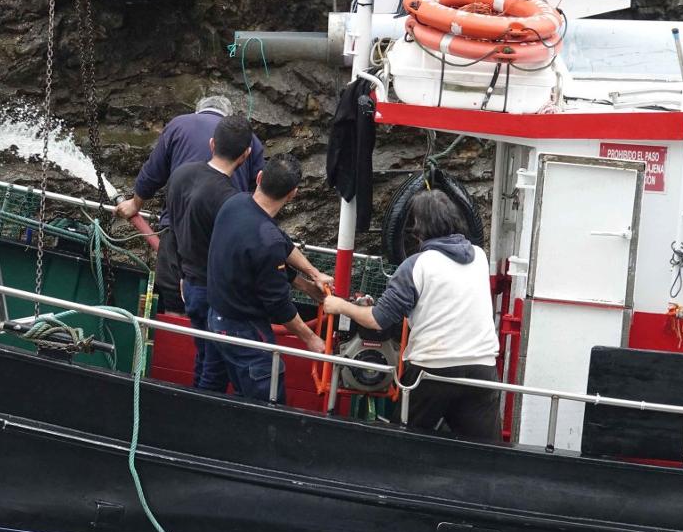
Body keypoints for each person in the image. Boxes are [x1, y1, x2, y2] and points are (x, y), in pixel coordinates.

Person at [323, 189, 501, 440]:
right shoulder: (480, 257)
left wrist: (340, 306)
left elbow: (378, 319)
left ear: (418, 230)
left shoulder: (416, 265)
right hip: (483, 369)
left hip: (433, 370)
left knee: (403, 443)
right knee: (485, 453)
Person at [114, 96, 264, 313]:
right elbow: (258, 189)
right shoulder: (250, 140)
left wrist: (136, 205)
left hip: (178, 227)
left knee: (173, 291)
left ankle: (176, 328)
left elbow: (152, 172)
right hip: (223, 231)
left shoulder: (178, 126)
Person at [206, 154, 328, 404]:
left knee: (238, 392)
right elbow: (279, 305)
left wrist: (311, 278)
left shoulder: (236, 203)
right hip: (244, 329)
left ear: (259, 177)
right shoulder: (266, 241)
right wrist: (312, 339)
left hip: (216, 317)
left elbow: (279, 244)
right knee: (267, 402)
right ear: (293, 193)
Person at [164, 115, 255, 392]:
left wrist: (181, 271)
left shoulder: (180, 176)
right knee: (215, 368)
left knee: (204, 357)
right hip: (215, 293)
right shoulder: (231, 201)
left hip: (188, 284)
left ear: (212, 143)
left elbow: (175, 228)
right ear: (246, 155)